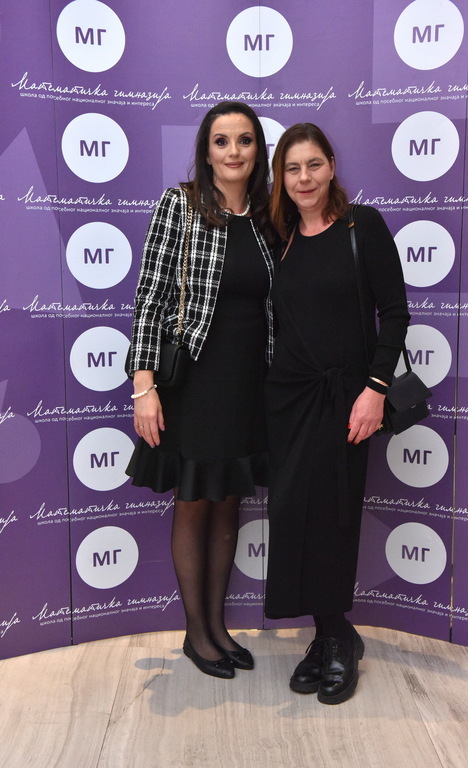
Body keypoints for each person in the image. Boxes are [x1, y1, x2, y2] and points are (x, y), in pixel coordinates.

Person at [125, 102, 275, 679]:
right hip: (194, 381)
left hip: (248, 384)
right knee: (193, 502)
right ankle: (196, 634)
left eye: (245, 140)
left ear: (258, 150)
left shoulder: (267, 216)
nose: (234, 151)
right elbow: (150, 297)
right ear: (206, 151)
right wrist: (143, 387)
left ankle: (217, 626)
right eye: (222, 141)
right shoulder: (181, 204)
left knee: (228, 501)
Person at [264, 123, 410, 704]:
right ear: (281, 177)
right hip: (288, 400)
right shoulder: (278, 239)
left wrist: (375, 389)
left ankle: (336, 638)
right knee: (292, 516)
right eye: (292, 168)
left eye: (314, 165)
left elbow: (394, 312)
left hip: (348, 398)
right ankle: (330, 635)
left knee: (334, 517)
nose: (304, 178)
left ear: (331, 165)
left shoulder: (361, 226)